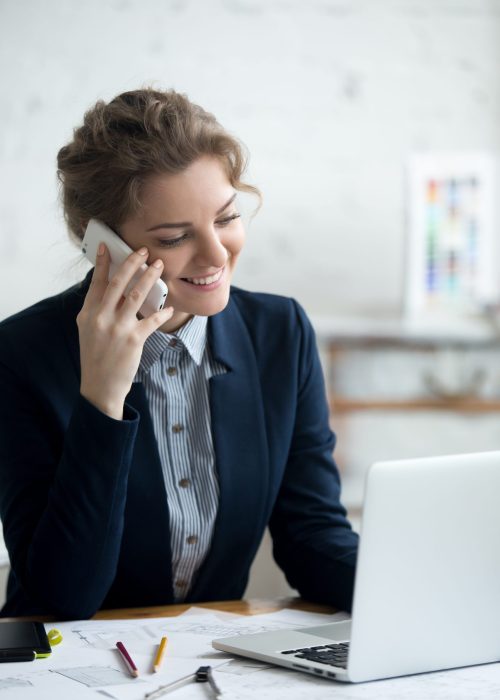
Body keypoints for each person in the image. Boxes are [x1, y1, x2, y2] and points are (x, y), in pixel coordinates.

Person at [0, 88, 358, 619]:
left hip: (210, 664)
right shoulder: (22, 355)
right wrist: (103, 396)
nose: (216, 254)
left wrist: (413, 588)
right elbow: (62, 598)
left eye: (226, 218)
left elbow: (312, 535)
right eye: (174, 238)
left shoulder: (281, 334)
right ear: (102, 244)